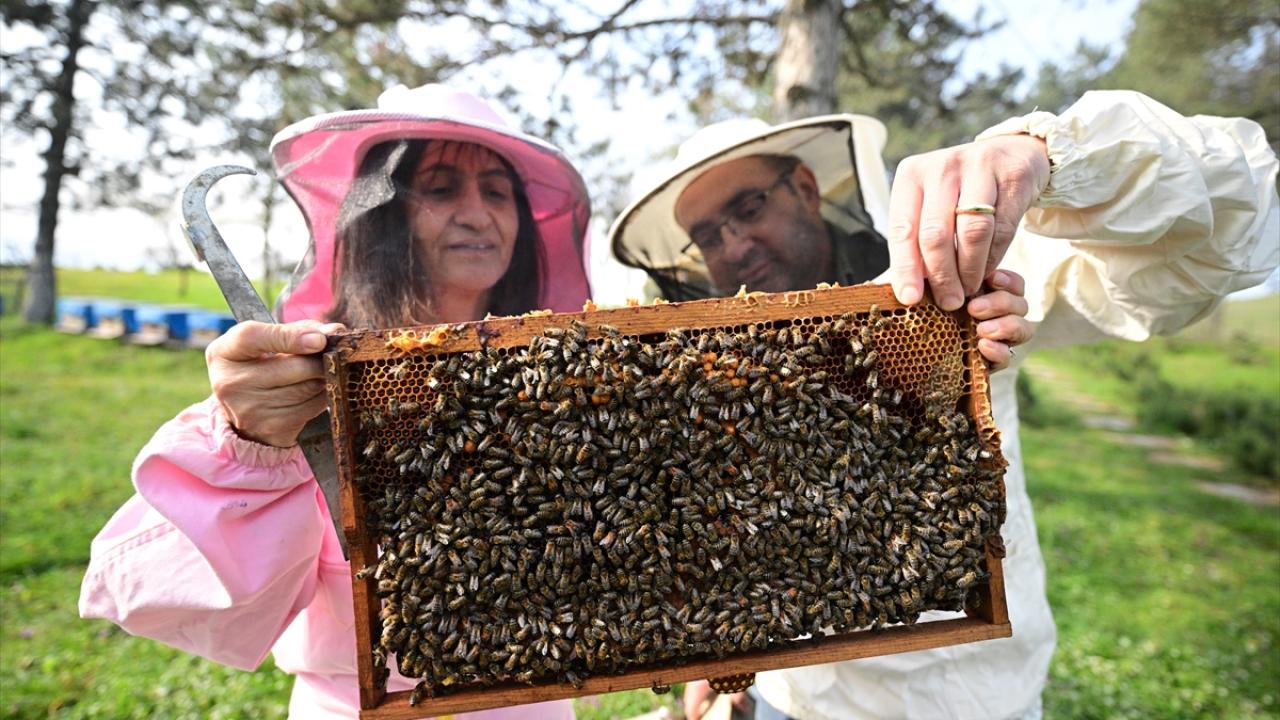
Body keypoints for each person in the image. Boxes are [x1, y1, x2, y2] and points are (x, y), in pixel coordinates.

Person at [609, 90, 1279, 720]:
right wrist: (716, 653)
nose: (731, 246)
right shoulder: (718, 367)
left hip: (965, 701)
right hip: (793, 701)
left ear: (806, 190)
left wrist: (1044, 156)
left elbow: (1235, 211)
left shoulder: (952, 276)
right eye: (706, 234)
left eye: (748, 208)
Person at [79, 84, 593, 720]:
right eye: (439, 187)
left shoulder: (568, 385)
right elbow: (156, 598)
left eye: (496, 191)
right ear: (383, 215)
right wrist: (252, 442)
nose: (475, 212)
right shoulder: (306, 376)